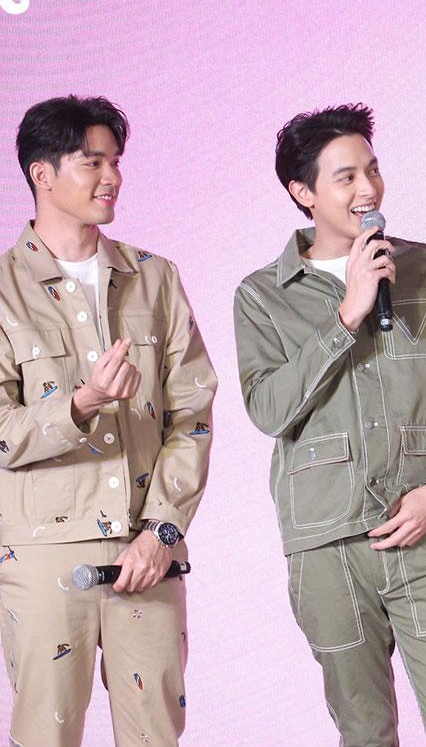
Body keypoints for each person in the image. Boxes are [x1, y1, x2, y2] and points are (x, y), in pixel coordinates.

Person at [233, 104, 426, 745]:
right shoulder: (262, 295)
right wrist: (347, 315)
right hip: (325, 546)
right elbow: (268, 409)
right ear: (302, 192)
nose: (369, 189)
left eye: (373, 170)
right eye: (347, 177)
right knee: (364, 733)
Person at [0, 95, 216, 745]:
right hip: (43, 556)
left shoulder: (155, 278)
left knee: (156, 734)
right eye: (92, 162)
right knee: (46, 734)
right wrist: (79, 404)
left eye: (115, 161)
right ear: (42, 174)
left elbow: (193, 415)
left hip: (148, 554)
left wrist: (162, 530)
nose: (111, 177)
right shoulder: (4, 289)